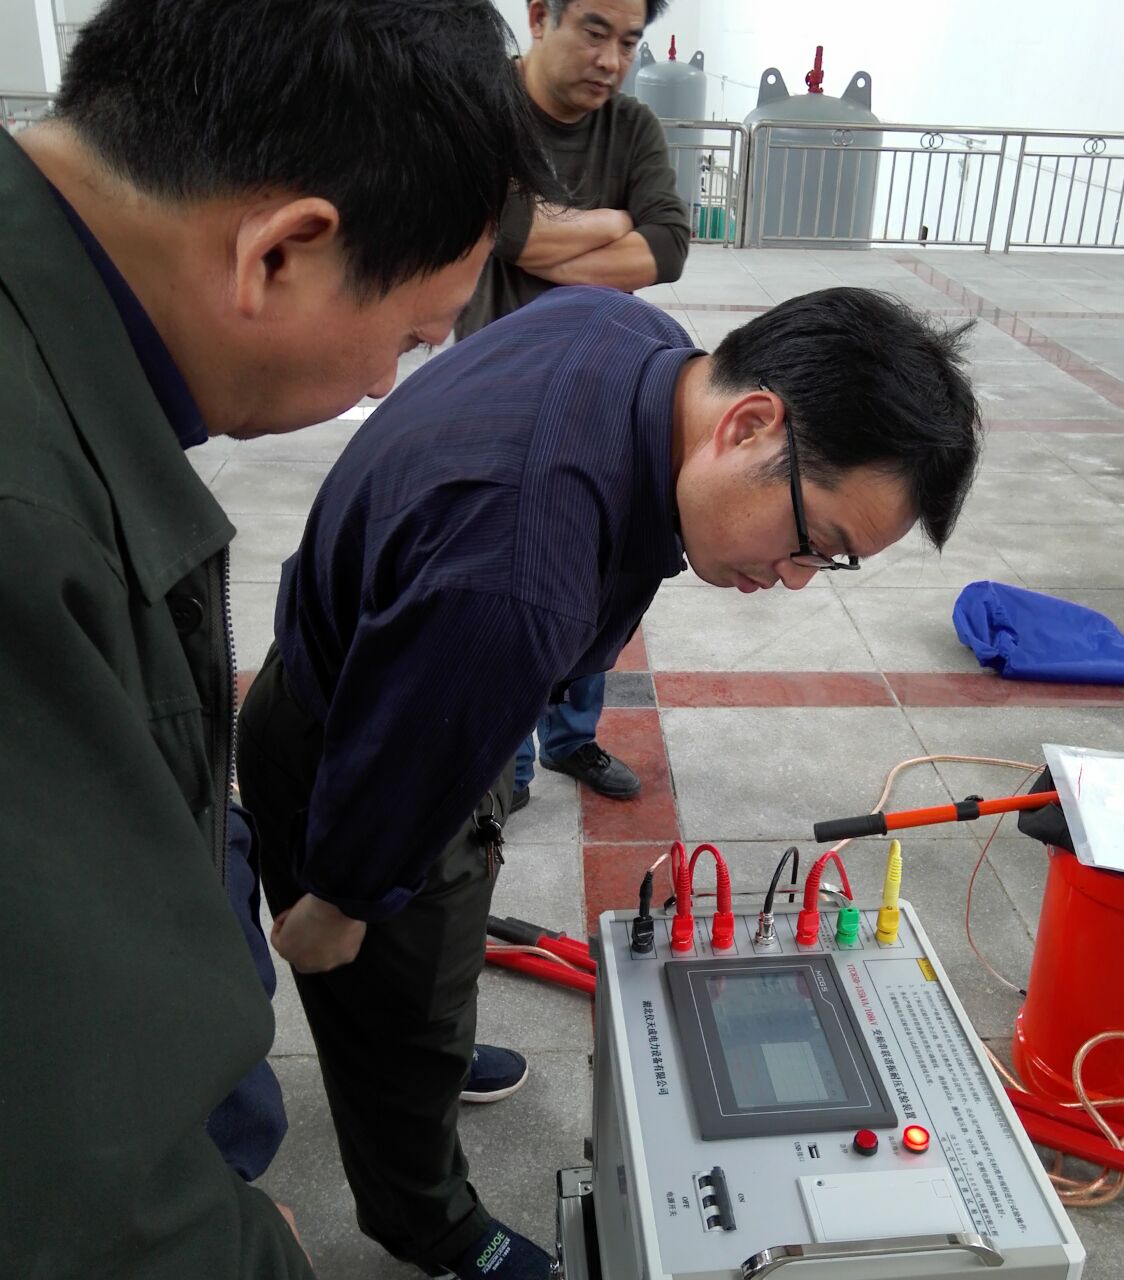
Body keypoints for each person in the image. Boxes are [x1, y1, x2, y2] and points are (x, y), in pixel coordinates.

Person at [236, 284, 982, 1280]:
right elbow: (399, 777)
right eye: (816, 542)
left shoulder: (633, 339)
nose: (796, 578)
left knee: (434, 962)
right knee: (384, 993)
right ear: (749, 423)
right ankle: (430, 1221)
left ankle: (433, 1048)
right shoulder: (516, 572)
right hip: (362, 745)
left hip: (418, 680)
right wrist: (339, 898)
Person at [0, 1, 554, 1275]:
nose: (385, 385)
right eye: (407, 337)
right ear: (282, 252)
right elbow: (76, 1191)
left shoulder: (66, 365)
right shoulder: (29, 525)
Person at [456, 0, 689, 813]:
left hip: (602, 386)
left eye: (628, 42)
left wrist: (547, 238)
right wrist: (615, 224)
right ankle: (506, 762)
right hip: (495, 387)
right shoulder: (482, 106)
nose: (611, 60)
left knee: (598, 577)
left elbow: (669, 246)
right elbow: (505, 231)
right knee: (504, 587)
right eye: (593, 31)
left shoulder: (632, 128)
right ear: (539, 14)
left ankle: (570, 739)